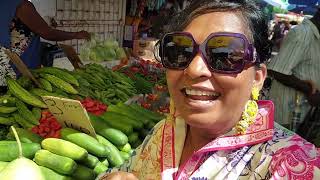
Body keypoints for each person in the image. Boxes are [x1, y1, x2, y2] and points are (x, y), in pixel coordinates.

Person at [99, 1, 320, 179]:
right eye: (180, 51)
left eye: (224, 54)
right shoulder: (166, 130)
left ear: (257, 78)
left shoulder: (292, 165)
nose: (194, 69)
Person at [0, 0, 90, 88]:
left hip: (4, 63)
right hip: (17, 68)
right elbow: (47, 33)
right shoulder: (22, 5)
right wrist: (76, 35)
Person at [267, 8, 320, 131]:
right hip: (286, 116)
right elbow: (277, 70)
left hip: (302, 113)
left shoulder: (313, 36)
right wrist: (309, 90)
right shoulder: (302, 34)